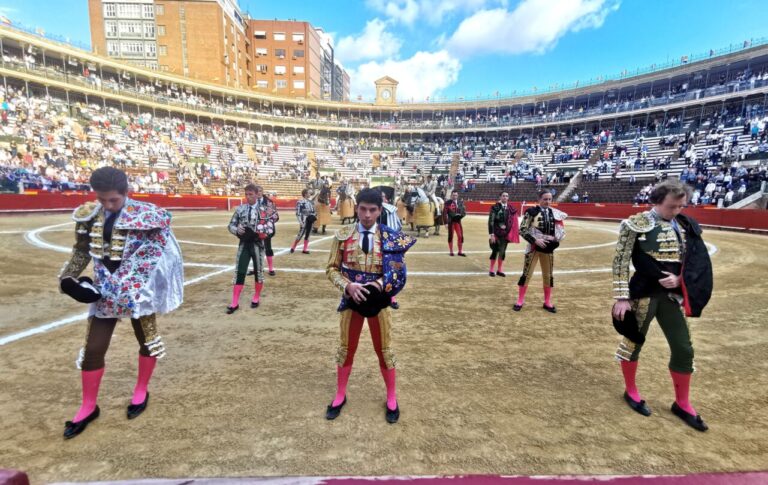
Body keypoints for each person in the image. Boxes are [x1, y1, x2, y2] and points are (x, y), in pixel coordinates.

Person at [57, 167, 183, 439]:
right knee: (93, 349)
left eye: (113, 200)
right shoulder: (90, 215)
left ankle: (140, 390)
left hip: (139, 291)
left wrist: (122, 286)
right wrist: (68, 279)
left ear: (127, 193)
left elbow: (150, 258)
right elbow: (81, 252)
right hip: (103, 290)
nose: (106, 205)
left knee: (147, 340)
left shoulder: (149, 216)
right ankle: (88, 406)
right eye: (102, 200)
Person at [611, 180, 713, 431]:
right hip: (643, 293)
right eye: (671, 206)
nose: (676, 211)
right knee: (633, 342)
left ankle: (682, 402)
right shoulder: (635, 223)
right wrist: (622, 297)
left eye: (681, 206)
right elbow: (621, 262)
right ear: (656, 202)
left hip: (672, 297)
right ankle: (631, 390)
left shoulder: (685, 225)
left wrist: (681, 280)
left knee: (684, 349)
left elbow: (694, 262)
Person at [324, 188, 416, 424]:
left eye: (372, 210)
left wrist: (378, 283)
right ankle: (340, 394)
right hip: (351, 300)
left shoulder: (390, 236)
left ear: (379, 210)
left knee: (384, 350)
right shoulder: (342, 235)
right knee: (346, 348)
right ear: (356, 208)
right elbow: (331, 269)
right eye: (363, 209)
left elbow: (397, 271)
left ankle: (392, 398)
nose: (366, 215)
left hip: (379, 300)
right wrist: (348, 286)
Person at [227, 183, 278, 313]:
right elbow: (231, 225)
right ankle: (234, 302)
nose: (248, 197)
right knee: (240, 270)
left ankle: (256, 297)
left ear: (257, 194)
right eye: (246, 194)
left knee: (259, 271)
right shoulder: (240, 209)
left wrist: (263, 234)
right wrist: (237, 230)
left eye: (251, 194)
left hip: (257, 244)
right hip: (244, 244)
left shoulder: (264, 209)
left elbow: (271, 229)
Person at [514, 190, 567, 312]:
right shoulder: (531, 212)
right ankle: (520, 300)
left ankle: (547, 302)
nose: (547, 201)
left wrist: (556, 238)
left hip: (548, 248)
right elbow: (522, 229)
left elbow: (560, 231)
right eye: (545, 199)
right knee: (527, 273)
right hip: (533, 247)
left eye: (549, 199)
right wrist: (534, 240)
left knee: (548, 275)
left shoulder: (555, 213)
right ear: (539, 199)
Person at [487, 191, 520, 277]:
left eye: (506, 196)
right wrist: (492, 234)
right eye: (503, 196)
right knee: (495, 250)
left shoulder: (510, 208)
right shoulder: (495, 207)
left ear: (508, 198)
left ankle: (499, 270)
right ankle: (491, 270)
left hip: (505, 234)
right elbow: (491, 221)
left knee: (502, 251)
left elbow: (513, 221)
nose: (505, 197)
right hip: (496, 233)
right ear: (500, 197)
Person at [291, 188, 317, 254]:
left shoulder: (311, 202)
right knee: (300, 235)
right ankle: (293, 247)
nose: (310, 194)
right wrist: (300, 222)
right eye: (308, 193)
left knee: (308, 235)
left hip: (310, 220)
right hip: (304, 220)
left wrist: (313, 216)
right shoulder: (300, 202)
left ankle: (305, 249)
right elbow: (298, 213)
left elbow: (313, 211)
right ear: (305, 194)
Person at [444, 190, 467, 257]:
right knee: (451, 236)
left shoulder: (460, 203)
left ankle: (460, 252)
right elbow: (444, 213)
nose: (455, 196)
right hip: (450, 222)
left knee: (460, 236)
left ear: (458, 195)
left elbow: (464, 211)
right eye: (453, 195)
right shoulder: (447, 203)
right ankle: (451, 251)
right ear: (451, 195)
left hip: (458, 222)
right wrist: (445, 223)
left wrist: (461, 216)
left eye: (456, 195)